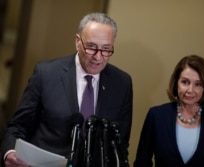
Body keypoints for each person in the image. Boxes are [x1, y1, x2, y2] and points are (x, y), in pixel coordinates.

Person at [1, 12, 133, 167]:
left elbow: (120, 143)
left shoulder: (122, 83)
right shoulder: (46, 74)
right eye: (91, 47)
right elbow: (18, 126)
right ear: (78, 42)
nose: (98, 57)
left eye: (106, 49)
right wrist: (9, 152)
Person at [134, 55, 204, 167]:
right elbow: (142, 162)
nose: (190, 90)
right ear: (176, 83)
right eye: (185, 82)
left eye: (198, 84)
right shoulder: (156, 116)